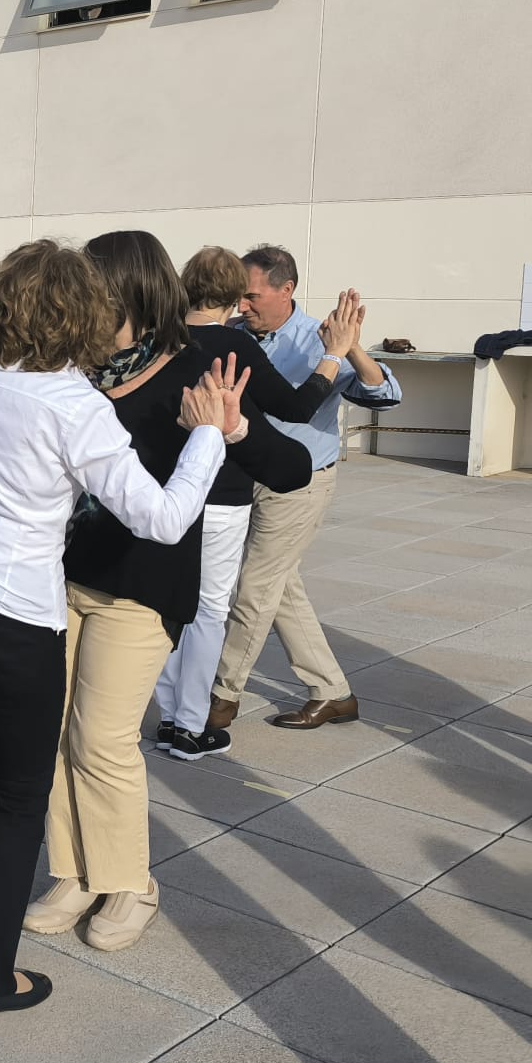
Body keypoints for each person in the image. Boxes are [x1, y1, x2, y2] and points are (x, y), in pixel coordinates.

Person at [0, 239, 240, 1021]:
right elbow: (160, 519)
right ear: (84, 313)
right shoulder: (74, 405)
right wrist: (209, 436)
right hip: (11, 614)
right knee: (19, 797)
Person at [22, 232, 309, 954]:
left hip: (144, 585)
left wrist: (232, 427)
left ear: (130, 292)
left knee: (105, 737)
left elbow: (292, 464)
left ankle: (131, 884)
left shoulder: (202, 362)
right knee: (52, 729)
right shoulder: (74, 368)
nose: (77, 301)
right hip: (60, 577)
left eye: (91, 288)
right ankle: (76, 871)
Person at [153, 246, 360, 760]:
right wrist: (334, 355)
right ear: (230, 294)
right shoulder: (234, 346)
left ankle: (171, 715)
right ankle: (193, 720)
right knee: (210, 607)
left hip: (166, 490)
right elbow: (293, 405)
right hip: (225, 492)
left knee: (169, 599)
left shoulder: (156, 342)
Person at [208, 244, 404, 732]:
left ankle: (218, 698)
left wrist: (350, 346)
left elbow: (385, 395)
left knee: (253, 589)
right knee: (280, 588)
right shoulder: (233, 334)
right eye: (239, 298)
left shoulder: (321, 338)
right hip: (245, 476)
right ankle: (333, 693)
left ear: (286, 289)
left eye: (251, 297)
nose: (242, 307)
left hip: (300, 484)